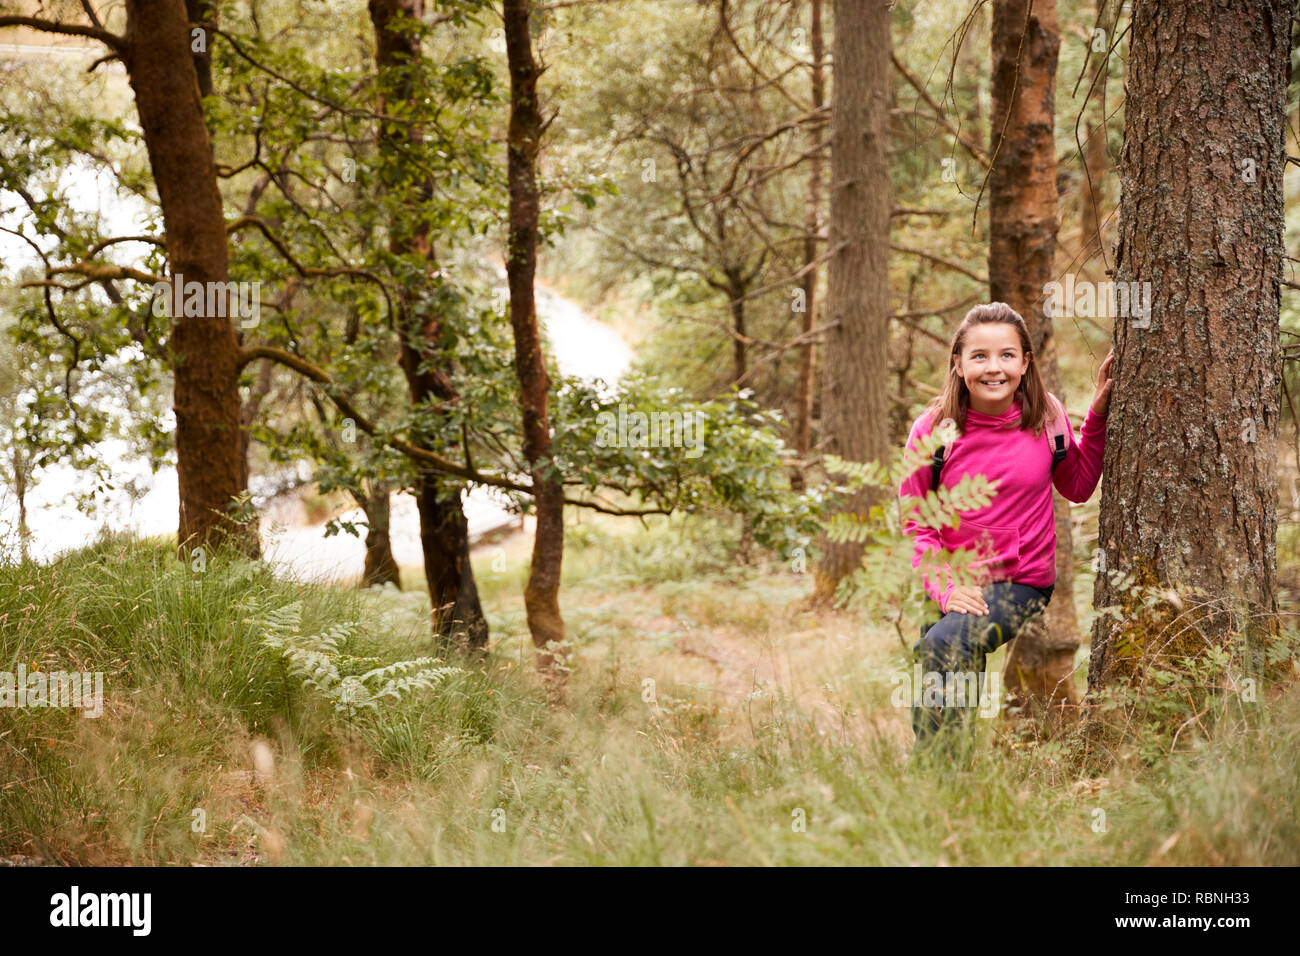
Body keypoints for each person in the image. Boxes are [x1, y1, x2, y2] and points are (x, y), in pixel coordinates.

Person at [897, 302, 1114, 759]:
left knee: (945, 645)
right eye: (979, 356)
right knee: (945, 671)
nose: (993, 368)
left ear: (1025, 361)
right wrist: (946, 588)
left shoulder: (1046, 416)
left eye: (1006, 355)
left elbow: (1076, 485)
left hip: (1021, 581)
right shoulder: (933, 430)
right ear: (958, 363)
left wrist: (1094, 417)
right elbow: (919, 522)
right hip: (951, 578)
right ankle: (941, 782)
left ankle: (938, 775)